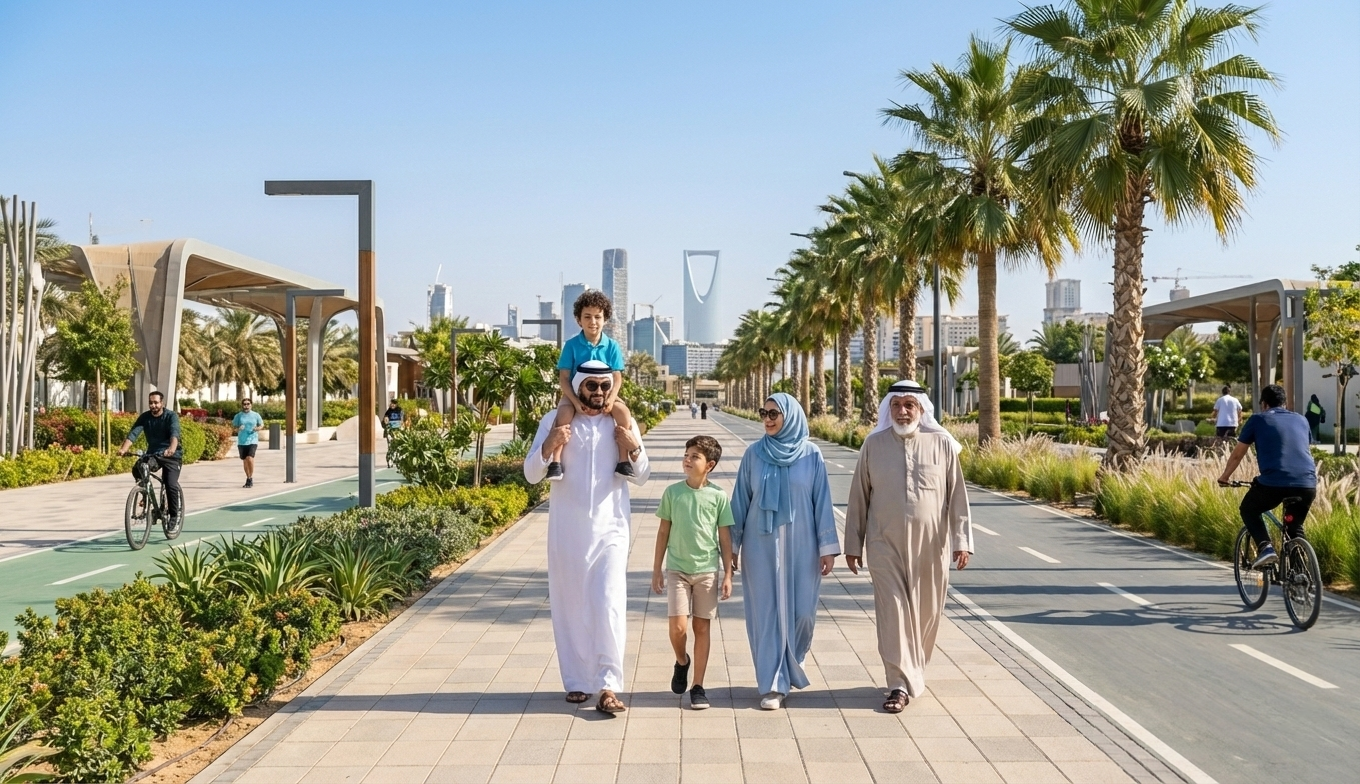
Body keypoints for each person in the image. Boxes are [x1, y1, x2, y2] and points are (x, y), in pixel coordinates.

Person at [524, 361, 651, 714]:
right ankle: (578, 681)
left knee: (609, 602)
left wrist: (633, 447)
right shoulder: (555, 420)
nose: (598, 392)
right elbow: (532, 474)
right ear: (578, 387)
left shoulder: (621, 421)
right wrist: (550, 444)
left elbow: (642, 476)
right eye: (591, 386)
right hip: (567, 530)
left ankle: (609, 685)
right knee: (571, 605)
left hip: (612, 529)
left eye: (604, 386)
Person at [845, 380, 973, 713]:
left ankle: (913, 669)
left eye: (909, 405)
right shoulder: (873, 445)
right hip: (883, 544)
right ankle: (899, 685)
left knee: (926, 614)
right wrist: (852, 544)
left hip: (932, 548)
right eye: (897, 405)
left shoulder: (942, 444)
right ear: (888, 409)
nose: (902, 411)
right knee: (893, 613)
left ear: (920, 409)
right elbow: (859, 496)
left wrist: (962, 541)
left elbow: (957, 497)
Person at [730, 392, 839, 710]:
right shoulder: (753, 454)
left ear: (790, 416)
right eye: (763, 412)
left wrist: (828, 548)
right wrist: (731, 547)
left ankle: (791, 662)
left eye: (774, 413)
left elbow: (823, 502)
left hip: (803, 545)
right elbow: (740, 501)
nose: (767, 418)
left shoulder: (811, 455)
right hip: (759, 546)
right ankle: (772, 684)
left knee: (803, 612)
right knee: (766, 616)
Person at [651, 435, 735, 710]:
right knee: (678, 627)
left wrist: (727, 575)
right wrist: (657, 570)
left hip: (707, 572)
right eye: (687, 454)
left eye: (694, 456)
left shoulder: (718, 497)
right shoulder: (673, 493)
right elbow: (663, 532)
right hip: (676, 569)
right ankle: (681, 661)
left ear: (709, 465)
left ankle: (698, 686)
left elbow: (724, 539)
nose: (687, 459)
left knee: (701, 627)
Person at [1217, 384, 1316, 568]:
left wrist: (1225, 476)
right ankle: (1301, 576)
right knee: (1295, 527)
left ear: (1264, 404)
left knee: (1249, 509)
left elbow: (1238, 453)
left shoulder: (1257, 420)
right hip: (1307, 483)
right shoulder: (1302, 420)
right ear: (1285, 403)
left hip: (1274, 484)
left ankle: (1266, 548)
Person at [548, 291, 633, 480]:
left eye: (597, 317)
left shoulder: (612, 346)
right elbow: (564, 377)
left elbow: (617, 378)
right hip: (575, 394)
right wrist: (576, 402)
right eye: (587, 317)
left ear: (605, 319)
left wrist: (611, 400)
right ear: (579, 320)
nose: (592, 321)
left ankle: (623, 460)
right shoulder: (571, 345)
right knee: (563, 415)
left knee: (624, 413)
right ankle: (556, 461)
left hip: (605, 394)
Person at [118, 391, 184, 523]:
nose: (153, 405)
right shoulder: (145, 417)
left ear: (162, 403)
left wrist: (171, 449)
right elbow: (133, 434)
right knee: (139, 467)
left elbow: (174, 434)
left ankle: (173, 517)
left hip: (171, 456)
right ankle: (145, 493)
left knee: (170, 484)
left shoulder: (171, 416)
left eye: (156, 402)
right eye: (151, 403)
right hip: (153, 454)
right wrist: (123, 449)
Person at [231, 398, 264, 488]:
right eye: (244, 404)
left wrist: (257, 428)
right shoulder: (238, 416)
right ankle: (248, 477)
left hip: (252, 440)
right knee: (245, 461)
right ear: (242, 405)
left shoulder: (256, 415)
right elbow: (233, 427)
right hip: (242, 441)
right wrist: (238, 429)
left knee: (250, 458)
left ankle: (251, 478)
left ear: (251, 405)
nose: (246, 406)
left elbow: (261, 425)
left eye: (248, 404)